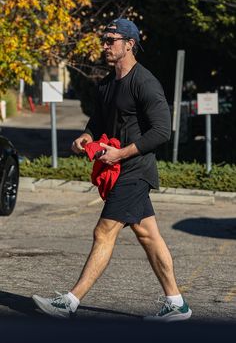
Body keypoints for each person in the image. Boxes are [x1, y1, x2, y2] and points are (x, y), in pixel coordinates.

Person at [33, 18, 192, 322]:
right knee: (148, 236)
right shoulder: (107, 84)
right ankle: (177, 304)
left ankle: (69, 302)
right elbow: (97, 123)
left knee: (103, 232)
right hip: (120, 171)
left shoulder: (144, 82)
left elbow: (162, 132)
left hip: (134, 170)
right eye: (103, 40)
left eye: (111, 40)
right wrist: (86, 137)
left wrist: (122, 153)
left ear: (130, 44)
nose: (105, 45)